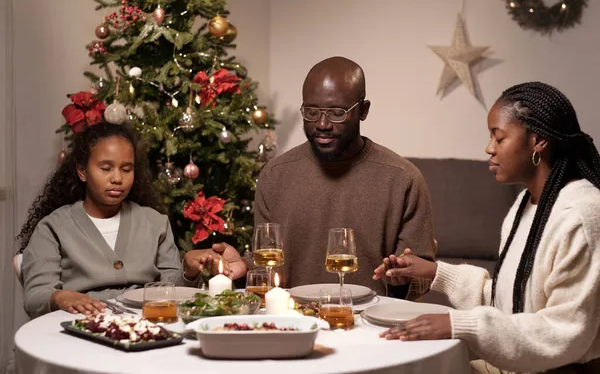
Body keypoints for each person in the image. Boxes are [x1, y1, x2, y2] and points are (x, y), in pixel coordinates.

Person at [374, 82, 600, 373]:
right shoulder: (525, 205)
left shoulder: (581, 214)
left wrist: (460, 325)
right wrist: (435, 273)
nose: (489, 149)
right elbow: (511, 304)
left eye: (499, 137)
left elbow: (564, 331)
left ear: (538, 140)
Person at [191, 56, 435, 299]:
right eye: (311, 111)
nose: (322, 123)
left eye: (337, 113)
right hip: (292, 322)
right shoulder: (276, 175)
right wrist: (246, 266)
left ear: (363, 110)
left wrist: (405, 276)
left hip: (370, 326)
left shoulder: (403, 179)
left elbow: (422, 277)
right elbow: (269, 267)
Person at [18, 123, 230, 318]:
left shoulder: (155, 223)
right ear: (82, 171)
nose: (117, 178)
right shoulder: (53, 227)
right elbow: (35, 296)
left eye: (126, 169)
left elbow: (170, 289)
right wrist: (58, 297)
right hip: (81, 328)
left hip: (147, 327)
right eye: (106, 168)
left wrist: (188, 269)